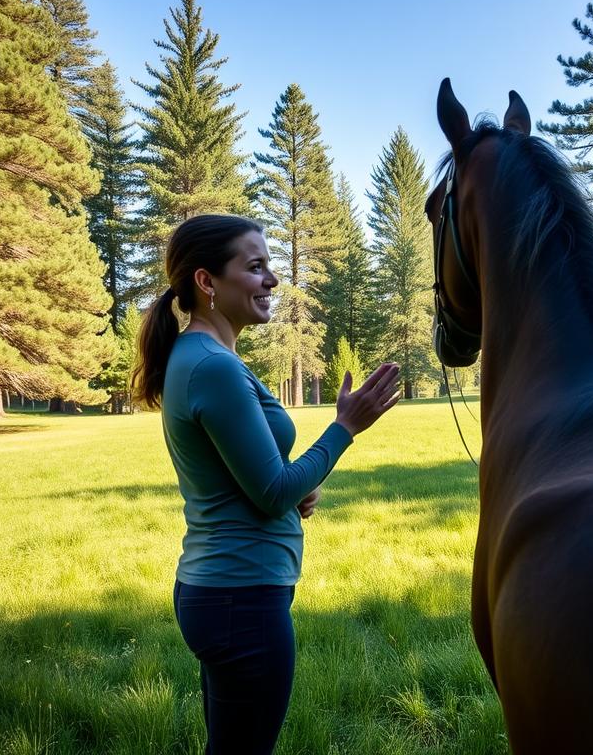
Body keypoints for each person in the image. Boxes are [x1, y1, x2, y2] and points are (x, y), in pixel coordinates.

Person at [131, 214, 401, 754]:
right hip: (241, 599)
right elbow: (272, 492)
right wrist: (345, 427)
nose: (272, 280)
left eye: (269, 266)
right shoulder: (214, 366)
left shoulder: (203, 356)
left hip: (225, 592)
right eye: (255, 267)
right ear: (207, 281)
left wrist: (297, 485)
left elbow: (252, 477)